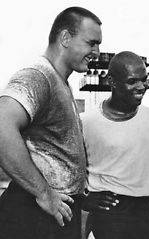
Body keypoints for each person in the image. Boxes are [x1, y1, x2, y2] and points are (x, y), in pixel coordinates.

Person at [0, 6, 102, 239]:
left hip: (56, 211)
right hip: (34, 213)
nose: (97, 52)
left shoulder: (61, 82)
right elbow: (1, 126)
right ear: (65, 38)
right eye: (91, 43)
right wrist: (44, 194)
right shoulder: (38, 76)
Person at [81, 51, 149, 239]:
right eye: (132, 81)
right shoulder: (86, 122)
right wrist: (83, 199)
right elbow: (70, 167)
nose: (141, 87)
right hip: (110, 214)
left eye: (144, 79)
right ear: (112, 82)